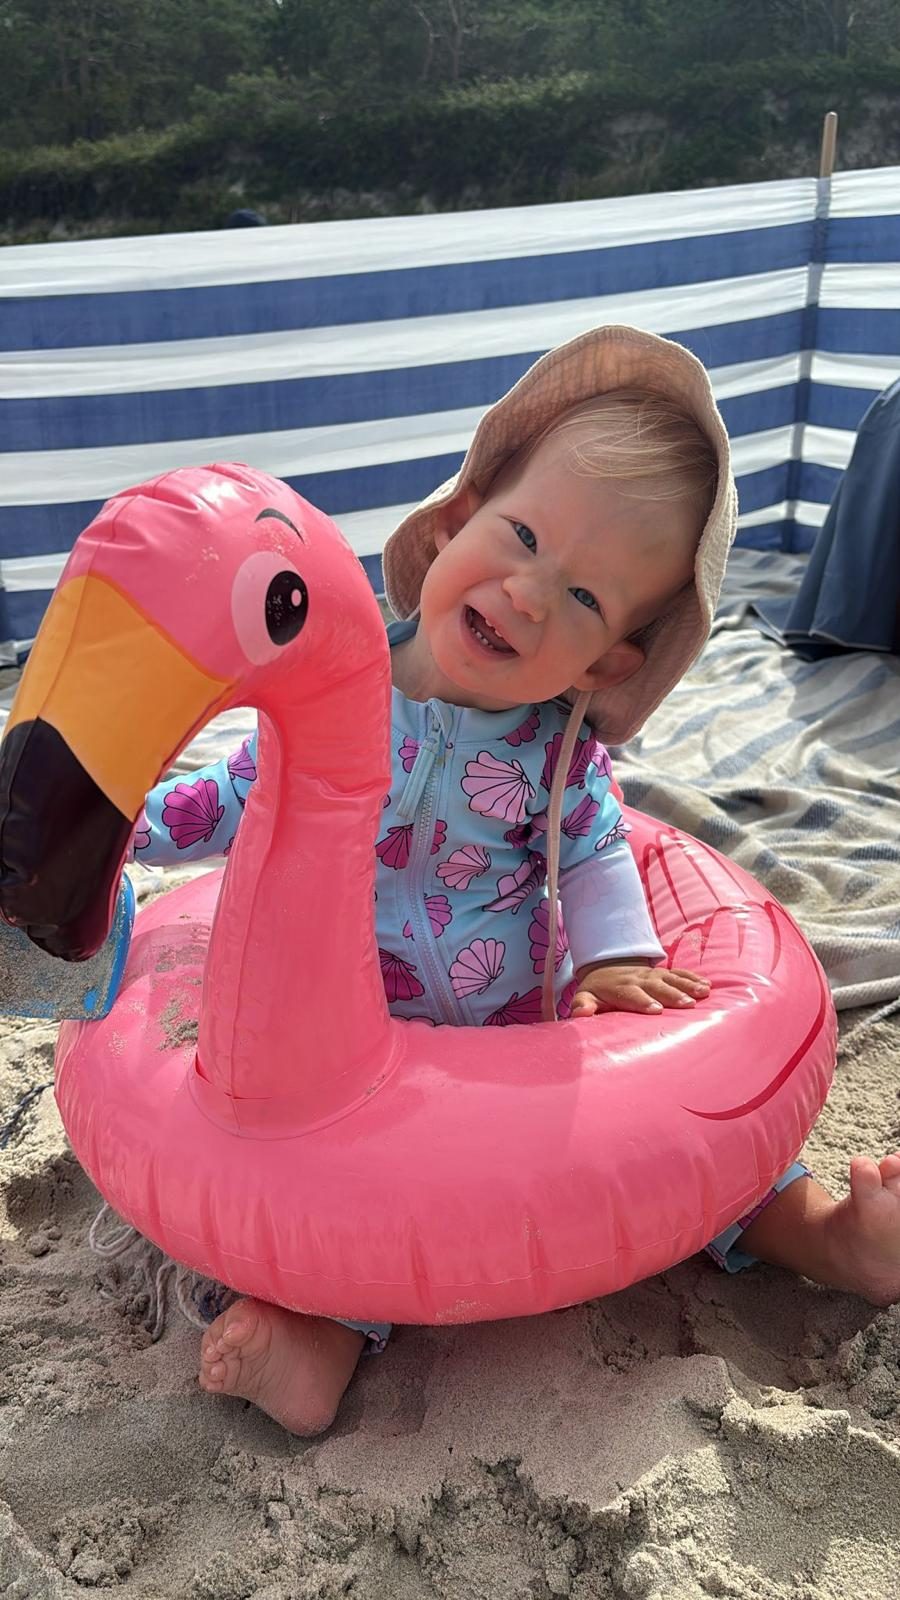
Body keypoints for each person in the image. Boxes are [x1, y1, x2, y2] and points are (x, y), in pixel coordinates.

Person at [129, 325, 900, 1436]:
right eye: (523, 536)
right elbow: (238, 798)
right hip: (361, 1031)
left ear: (608, 662)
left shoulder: (556, 751)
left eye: (584, 598)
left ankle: (826, 1235)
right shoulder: (337, 696)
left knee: (696, 1153)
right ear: (455, 523)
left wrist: (618, 960)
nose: (530, 594)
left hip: (512, 1026)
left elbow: (593, 849)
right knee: (348, 1192)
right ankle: (318, 1341)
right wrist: (133, 832)